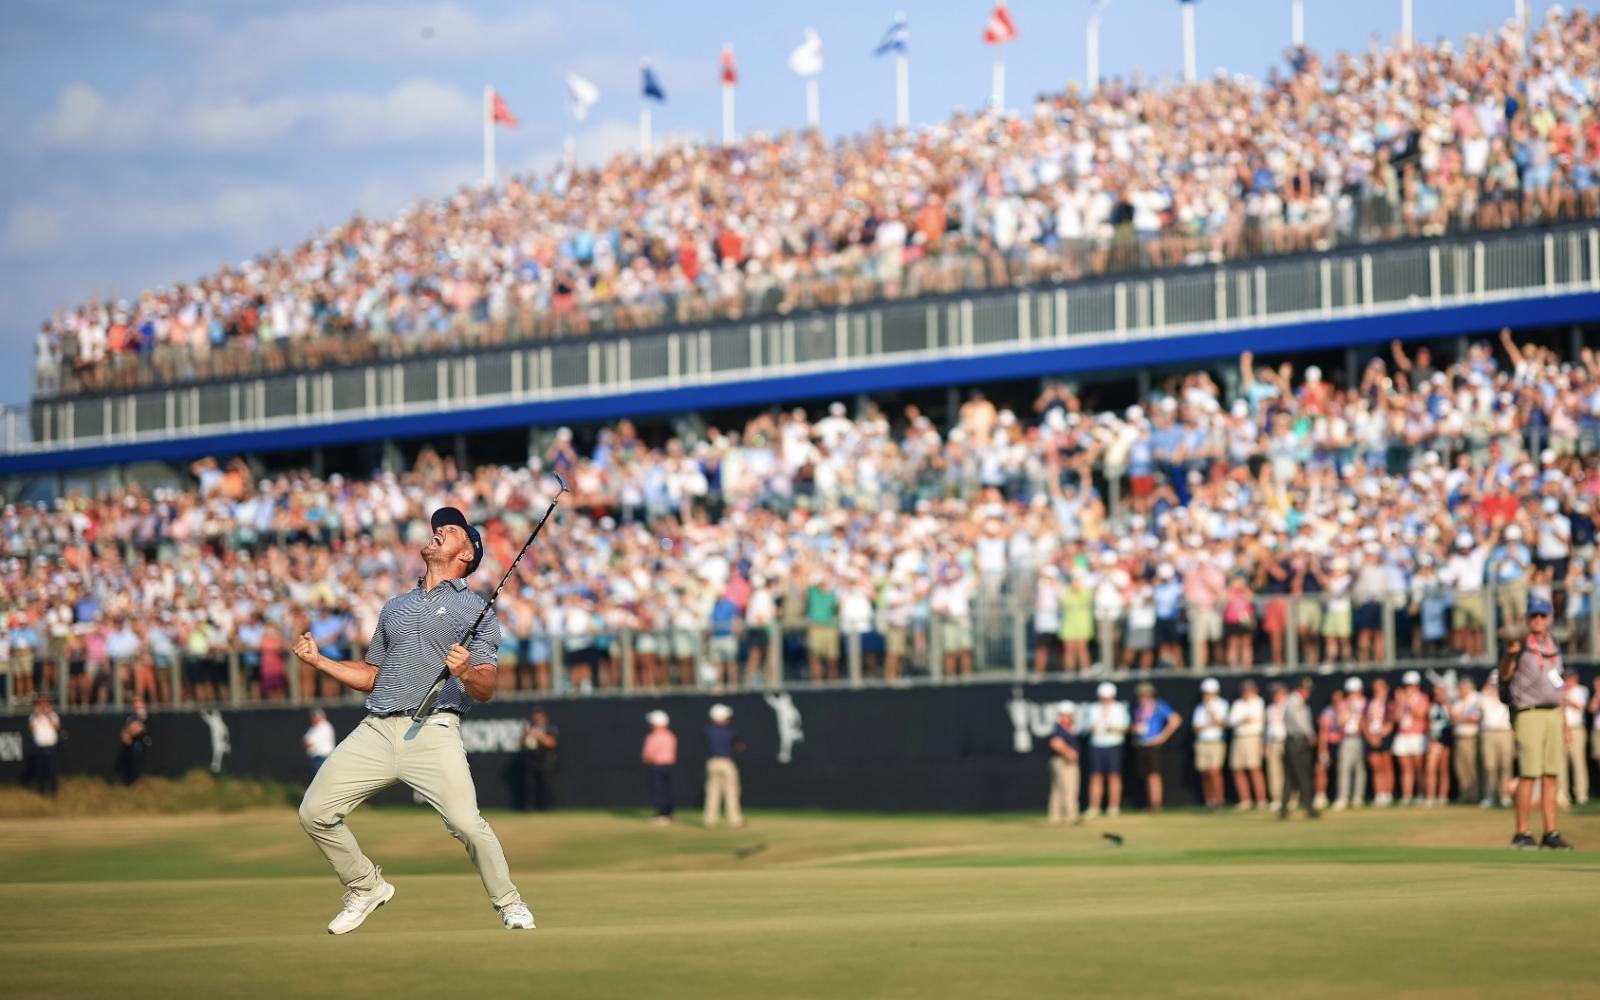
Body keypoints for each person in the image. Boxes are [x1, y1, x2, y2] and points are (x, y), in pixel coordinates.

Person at [293, 506, 536, 934]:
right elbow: (373, 676)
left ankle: (510, 904)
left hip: (434, 730)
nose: (439, 529)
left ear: (467, 554)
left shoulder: (474, 608)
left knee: (466, 824)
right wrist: (320, 662)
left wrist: (464, 672)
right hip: (376, 729)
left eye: (452, 528)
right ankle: (365, 886)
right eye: (437, 525)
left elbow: (487, 685)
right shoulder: (395, 607)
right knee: (314, 811)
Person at [1499, 597, 1574, 849]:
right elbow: (1505, 674)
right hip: (1529, 711)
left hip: (1553, 712)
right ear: (1528, 619)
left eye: (1543, 616)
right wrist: (1510, 655)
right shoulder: (1521, 645)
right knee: (1529, 773)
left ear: (1550, 617)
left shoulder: (1554, 645)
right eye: (1534, 616)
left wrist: (1564, 723)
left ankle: (1550, 832)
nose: (1538, 620)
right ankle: (1522, 832)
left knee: (1551, 774)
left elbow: (1559, 685)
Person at [1085, 682, 1130, 819]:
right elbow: (1086, 727)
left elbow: (1126, 728)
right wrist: (1094, 728)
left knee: (1114, 776)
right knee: (1095, 776)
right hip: (1097, 745)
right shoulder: (1093, 708)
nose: (1105, 699)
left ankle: (1113, 807)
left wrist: (1113, 729)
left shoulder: (1119, 708)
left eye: (1108, 697)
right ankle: (1094, 807)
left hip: (1114, 745)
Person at [1281, 677, 1320, 819]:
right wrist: (1310, 734)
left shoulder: (1296, 701)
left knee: (1291, 777)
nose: (1308, 693)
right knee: (1303, 775)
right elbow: (1299, 721)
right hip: (1297, 741)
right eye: (1305, 689)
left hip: (1295, 741)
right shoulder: (1295, 701)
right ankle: (1309, 808)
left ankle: (1284, 810)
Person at [1228, 679, 1268, 811]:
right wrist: (1243, 719)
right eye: (1244, 690)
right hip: (1239, 738)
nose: (1246, 693)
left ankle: (1261, 800)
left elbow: (1254, 719)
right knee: (1237, 769)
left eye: (1249, 690)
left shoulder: (1259, 702)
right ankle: (1245, 800)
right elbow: (1231, 721)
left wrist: (1242, 719)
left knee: (1254, 768)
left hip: (1252, 737)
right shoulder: (1238, 703)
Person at [703, 703, 744, 828]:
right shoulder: (730, 731)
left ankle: (710, 820)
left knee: (712, 792)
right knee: (731, 791)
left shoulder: (708, 730)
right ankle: (735, 819)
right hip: (727, 763)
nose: (728, 719)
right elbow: (739, 745)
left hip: (712, 762)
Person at [1392, 670, 1429, 806]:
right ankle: (1407, 795)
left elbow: (1420, 714)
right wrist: (1400, 703)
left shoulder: (1423, 698)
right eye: (1407, 685)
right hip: (1403, 735)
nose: (1409, 688)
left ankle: (1420, 794)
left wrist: (1407, 703)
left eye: (1411, 685)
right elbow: (1395, 718)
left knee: (1419, 768)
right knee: (1405, 769)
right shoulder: (1400, 699)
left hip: (1418, 736)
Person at [1478, 675, 1515, 808]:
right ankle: (1489, 796)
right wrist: (1486, 690)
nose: (1494, 687)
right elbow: (1477, 703)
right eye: (1492, 684)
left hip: (1505, 732)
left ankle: (1505, 795)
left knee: (1506, 764)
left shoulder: (1508, 695)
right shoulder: (1483, 697)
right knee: (1489, 766)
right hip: (1488, 733)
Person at [1191, 679, 1228, 809]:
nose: (1207, 695)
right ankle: (1210, 801)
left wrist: (1211, 715)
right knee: (1205, 772)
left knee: (1215, 771)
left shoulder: (1222, 704)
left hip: (1216, 741)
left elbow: (1222, 724)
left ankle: (1220, 800)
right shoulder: (1199, 706)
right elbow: (1195, 727)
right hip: (1202, 742)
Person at [1333, 678, 1367, 809]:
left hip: (1360, 738)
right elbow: (1340, 721)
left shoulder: (1365, 703)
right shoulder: (1343, 704)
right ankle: (1343, 796)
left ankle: (1358, 796)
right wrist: (1349, 709)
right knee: (1344, 768)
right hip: (1347, 738)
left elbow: (1366, 721)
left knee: (1360, 769)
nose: (1354, 694)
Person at [1047, 702, 1082, 825]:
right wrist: (1069, 753)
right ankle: (1072, 816)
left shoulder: (1065, 727)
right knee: (1069, 788)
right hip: (1063, 761)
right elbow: (1055, 743)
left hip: (1058, 761)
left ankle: (1055, 816)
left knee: (1057, 790)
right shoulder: (1060, 727)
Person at [1364, 676, 1396, 806]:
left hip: (1385, 736)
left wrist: (1383, 732)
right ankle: (1379, 794)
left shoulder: (1390, 702)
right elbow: (1364, 721)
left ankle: (1388, 794)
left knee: (1387, 765)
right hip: (1373, 736)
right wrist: (1370, 736)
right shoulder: (1370, 703)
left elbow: (1392, 719)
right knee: (1376, 767)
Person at [1450, 677, 1482, 805]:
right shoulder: (1457, 701)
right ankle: (1465, 794)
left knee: (1471, 766)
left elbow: (1476, 719)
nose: (1459, 691)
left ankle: (1474, 795)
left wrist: (1461, 717)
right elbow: (1453, 719)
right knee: (1460, 767)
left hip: (1471, 737)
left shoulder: (1476, 699)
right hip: (1459, 737)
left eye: (1462, 688)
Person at [519, 708, 559, 812]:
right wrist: (527, 735)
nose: (537, 720)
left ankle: (547, 808)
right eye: (535, 718)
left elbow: (552, 743)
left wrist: (539, 736)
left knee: (545, 785)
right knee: (530, 786)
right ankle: (530, 808)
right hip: (531, 761)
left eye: (539, 718)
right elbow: (520, 742)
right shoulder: (529, 729)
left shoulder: (550, 728)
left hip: (544, 761)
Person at [642, 709, 677, 825]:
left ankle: (662, 815)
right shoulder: (670, 735)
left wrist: (648, 759)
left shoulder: (653, 737)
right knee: (667, 790)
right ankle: (668, 813)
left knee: (660, 791)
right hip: (668, 766)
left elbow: (647, 755)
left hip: (656, 766)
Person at [1559, 670, 1588, 806]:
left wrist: (1565, 698)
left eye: (1571, 678)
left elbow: (1579, 705)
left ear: (1576, 678)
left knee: (1578, 762)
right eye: (1566, 678)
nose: (1568, 681)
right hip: (1561, 729)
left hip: (1576, 729)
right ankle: (1563, 794)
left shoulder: (1582, 690)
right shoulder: (1559, 690)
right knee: (1561, 764)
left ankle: (1581, 794)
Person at [1423, 683, 1453, 807]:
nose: (1438, 695)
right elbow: (1428, 723)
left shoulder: (1449, 705)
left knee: (1443, 769)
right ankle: (1430, 796)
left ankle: (1443, 796)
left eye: (1440, 692)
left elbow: (1453, 719)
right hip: (1434, 740)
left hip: (1445, 738)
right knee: (1430, 769)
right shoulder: (1431, 706)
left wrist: (1448, 708)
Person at [27, 695, 61, 797]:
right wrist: (37, 715)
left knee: (52, 770)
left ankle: (54, 790)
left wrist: (49, 715)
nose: (43, 706)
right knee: (40, 770)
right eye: (41, 704)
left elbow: (57, 728)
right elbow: (31, 729)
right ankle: (40, 790)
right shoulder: (33, 716)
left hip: (51, 746)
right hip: (39, 747)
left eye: (45, 704)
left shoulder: (53, 715)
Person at [1264, 683, 1289, 811]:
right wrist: (1266, 745)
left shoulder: (1290, 707)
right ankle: (1276, 799)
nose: (1276, 696)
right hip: (1273, 742)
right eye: (1274, 693)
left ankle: (1290, 798)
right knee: (1274, 771)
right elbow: (1268, 728)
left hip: (1287, 741)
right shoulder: (1270, 709)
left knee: (1289, 771)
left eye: (1278, 693)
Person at [116, 694, 149, 785]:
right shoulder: (130, 717)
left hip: (141, 745)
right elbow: (125, 734)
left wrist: (129, 731)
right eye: (134, 703)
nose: (136, 705)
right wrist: (127, 733)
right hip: (130, 746)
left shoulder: (143, 715)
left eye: (138, 702)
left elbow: (138, 728)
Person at [303, 709, 335, 779]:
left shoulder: (325, 727)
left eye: (316, 716)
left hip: (322, 758)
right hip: (315, 759)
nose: (314, 718)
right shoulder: (314, 727)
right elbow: (305, 740)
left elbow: (309, 742)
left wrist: (307, 743)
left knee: (320, 779)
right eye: (313, 716)